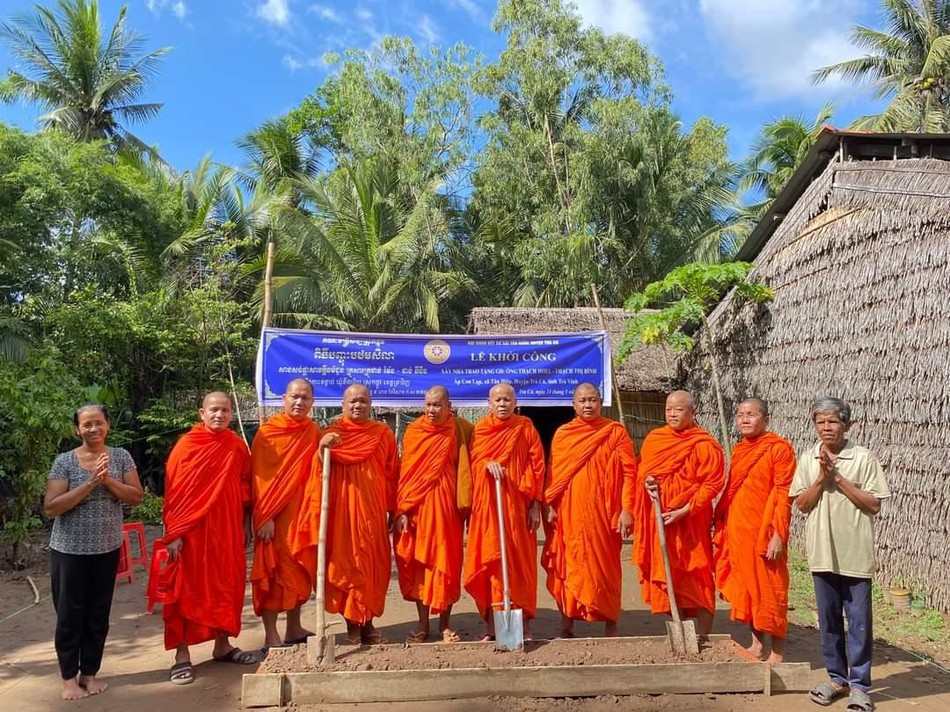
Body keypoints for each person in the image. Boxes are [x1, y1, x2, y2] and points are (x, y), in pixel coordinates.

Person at [791, 397, 890, 712]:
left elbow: (874, 504)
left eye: (832, 421)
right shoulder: (808, 458)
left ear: (847, 424)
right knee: (829, 620)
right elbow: (802, 504)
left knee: (859, 623)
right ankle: (836, 679)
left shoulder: (863, 458)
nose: (826, 427)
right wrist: (821, 478)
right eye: (820, 422)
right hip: (822, 553)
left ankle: (860, 686)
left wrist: (838, 478)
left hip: (855, 553)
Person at [44, 405, 143, 701]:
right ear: (78, 429)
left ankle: (90, 672)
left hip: (107, 549)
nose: (93, 429)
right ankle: (68, 679)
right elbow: (52, 507)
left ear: (107, 425)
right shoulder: (65, 462)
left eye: (98, 423)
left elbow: (136, 497)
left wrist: (108, 481)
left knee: (98, 613)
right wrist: (90, 483)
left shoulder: (121, 457)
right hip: (69, 551)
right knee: (70, 615)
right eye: (86, 425)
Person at [160, 391, 255, 686]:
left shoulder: (237, 446)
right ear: (201, 413)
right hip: (192, 532)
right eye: (213, 409)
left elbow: (246, 487)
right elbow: (174, 492)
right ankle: (181, 656)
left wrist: (246, 524)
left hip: (227, 530)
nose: (219, 415)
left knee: (226, 585)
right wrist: (174, 533)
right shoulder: (187, 446)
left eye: (225, 410)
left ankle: (222, 645)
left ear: (231, 414)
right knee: (186, 589)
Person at [294, 384, 398, 645]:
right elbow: (316, 473)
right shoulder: (332, 434)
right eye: (352, 401)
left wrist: (391, 508)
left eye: (363, 401)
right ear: (343, 405)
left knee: (373, 567)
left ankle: (369, 624)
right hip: (342, 514)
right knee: (346, 566)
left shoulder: (382, 434)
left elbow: (391, 473)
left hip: (373, 512)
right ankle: (352, 626)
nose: (357, 406)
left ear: (370, 405)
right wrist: (322, 448)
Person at [542, 383, 637, 638]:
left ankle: (610, 620)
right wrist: (549, 504)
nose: (587, 405)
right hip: (570, 512)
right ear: (574, 405)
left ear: (601, 402)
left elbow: (630, 473)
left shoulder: (615, 432)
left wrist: (628, 509)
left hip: (605, 514)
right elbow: (554, 473)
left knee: (607, 568)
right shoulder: (564, 434)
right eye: (582, 400)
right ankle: (567, 620)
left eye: (592, 400)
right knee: (568, 561)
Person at [251, 378, 335, 650]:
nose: (299, 402)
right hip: (275, 517)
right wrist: (264, 516)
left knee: (300, 569)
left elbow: (315, 467)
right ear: (283, 398)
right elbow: (260, 478)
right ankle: (271, 635)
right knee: (274, 574)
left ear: (313, 402)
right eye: (294, 396)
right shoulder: (268, 433)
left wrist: (323, 447)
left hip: (303, 513)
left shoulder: (312, 430)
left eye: (305, 398)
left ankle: (294, 627)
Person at [633, 390, 725, 639]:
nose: (672, 414)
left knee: (698, 572)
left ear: (693, 412)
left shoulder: (705, 444)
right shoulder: (655, 439)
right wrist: (648, 482)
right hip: (662, 519)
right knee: (668, 571)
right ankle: (681, 628)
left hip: (691, 521)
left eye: (678, 409)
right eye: (668, 409)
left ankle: (704, 635)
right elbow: (643, 472)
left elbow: (712, 484)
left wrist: (685, 510)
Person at [713, 398, 795, 662]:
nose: (745, 419)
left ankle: (779, 652)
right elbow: (733, 490)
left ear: (766, 419)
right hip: (739, 533)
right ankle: (757, 645)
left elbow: (784, 493)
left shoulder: (779, 449)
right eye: (740, 415)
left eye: (751, 414)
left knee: (771, 590)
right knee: (748, 591)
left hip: (765, 533)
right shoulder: (740, 450)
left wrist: (778, 534)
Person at [463, 383, 545, 641]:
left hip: (518, 509)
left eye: (507, 399)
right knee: (490, 562)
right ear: (489, 403)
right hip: (489, 509)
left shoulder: (525, 428)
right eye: (497, 400)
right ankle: (491, 625)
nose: (502, 404)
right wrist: (486, 464)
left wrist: (535, 505)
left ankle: (525, 625)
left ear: (515, 402)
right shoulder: (481, 431)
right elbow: (472, 465)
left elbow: (538, 466)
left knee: (520, 566)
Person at [395, 386, 473, 643]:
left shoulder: (460, 429)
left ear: (448, 405)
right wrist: (404, 509)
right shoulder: (415, 432)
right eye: (428, 404)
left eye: (437, 405)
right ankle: (422, 623)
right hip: (419, 509)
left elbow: (469, 466)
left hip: (448, 508)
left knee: (447, 566)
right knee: (420, 566)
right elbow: (407, 472)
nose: (431, 410)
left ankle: (445, 625)